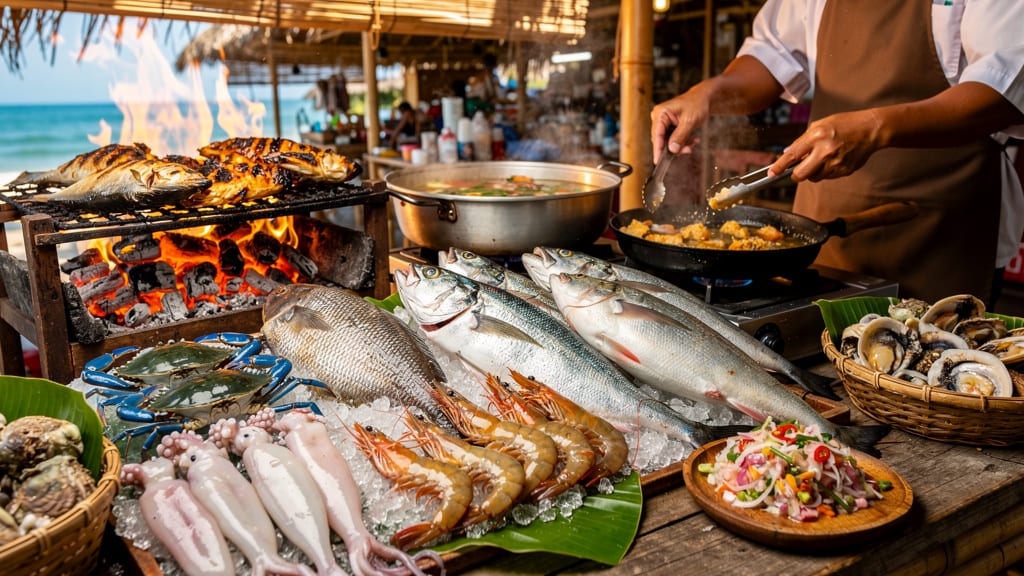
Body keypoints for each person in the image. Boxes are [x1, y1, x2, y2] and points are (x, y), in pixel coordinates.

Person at [651, 0, 1024, 307]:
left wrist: (876, 127)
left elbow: (1003, 90)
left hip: (941, 228)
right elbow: (771, 57)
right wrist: (707, 94)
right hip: (824, 227)